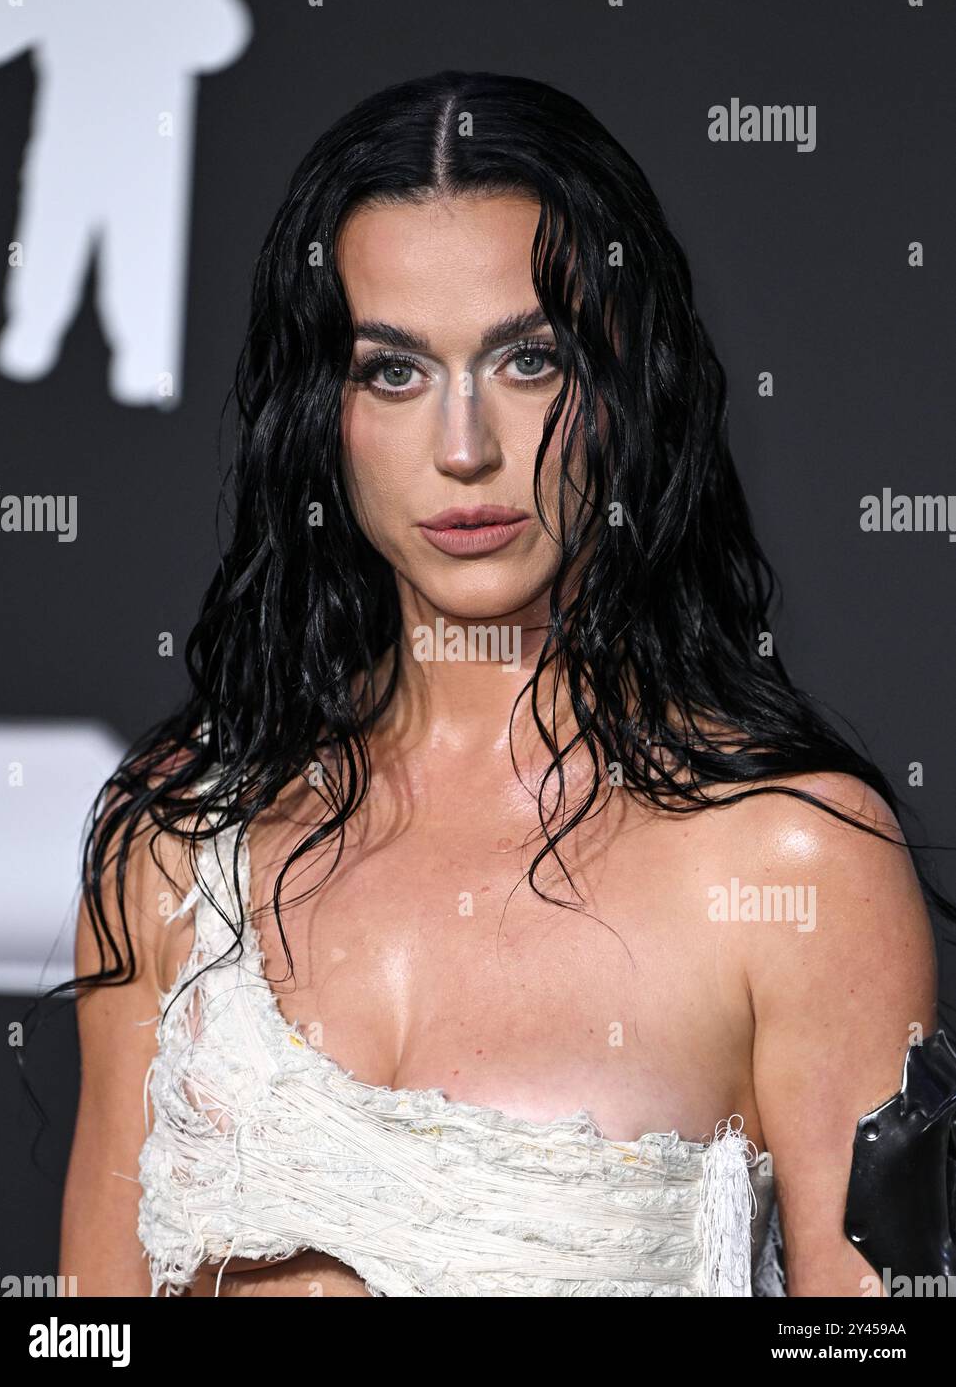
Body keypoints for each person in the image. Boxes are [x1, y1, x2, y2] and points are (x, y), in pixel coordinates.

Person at [55, 70, 942, 1297]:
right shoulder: (172, 838)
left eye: (529, 362)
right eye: (394, 371)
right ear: (323, 417)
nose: (464, 448)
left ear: (627, 388)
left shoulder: (794, 865)